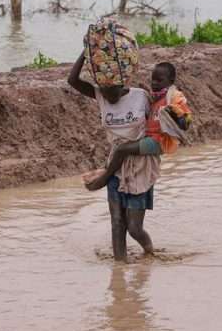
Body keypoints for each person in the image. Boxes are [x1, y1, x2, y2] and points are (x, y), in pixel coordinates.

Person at [68, 53, 159, 262]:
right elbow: (72, 80)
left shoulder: (141, 97)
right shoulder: (100, 94)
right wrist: (86, 53)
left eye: (113, 89)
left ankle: (149, 252)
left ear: (123, 81)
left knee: (134, 228)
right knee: (117, 222)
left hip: (140, 165)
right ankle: (120, 269)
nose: (109, 96)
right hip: (115, 166)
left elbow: (159, 128)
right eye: (105, 90)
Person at [83, 62, 192, 191]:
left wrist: (177, 116)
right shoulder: (156, 96)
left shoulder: (174, 96)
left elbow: (186, 121)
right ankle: (106, 170)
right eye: (153, 80)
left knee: (122, 150)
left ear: (171, 81)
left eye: (159, 80)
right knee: (120, 149)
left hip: (159, 141)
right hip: (150, 137)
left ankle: (104, 178)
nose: (155, 83)